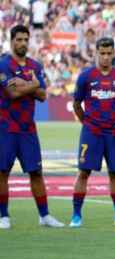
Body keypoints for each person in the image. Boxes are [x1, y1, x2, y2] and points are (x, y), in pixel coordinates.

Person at [0, 24, 64, 230]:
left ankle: (44, 215)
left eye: (25, 39)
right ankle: (4, 216)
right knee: (2, 172)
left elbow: (44, 96)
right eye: (18, 39)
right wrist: (34, 85)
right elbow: (12, 93)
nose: (22, 43)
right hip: (6, 128)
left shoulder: (35, 66)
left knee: (36, 172)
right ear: (11, 41)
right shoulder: (3, 65)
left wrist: (27, 85)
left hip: (28, 129)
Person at [69, 37, 115, 227]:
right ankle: (76, 215)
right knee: (84, 172)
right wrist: (88, 123)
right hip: (92, 132)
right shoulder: (86, 77)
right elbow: (76, 104)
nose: (106, 57)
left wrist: (111, 121)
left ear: (114, 53)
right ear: (96, 53)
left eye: (109, 53)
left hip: (114, 133)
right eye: (102, 53)